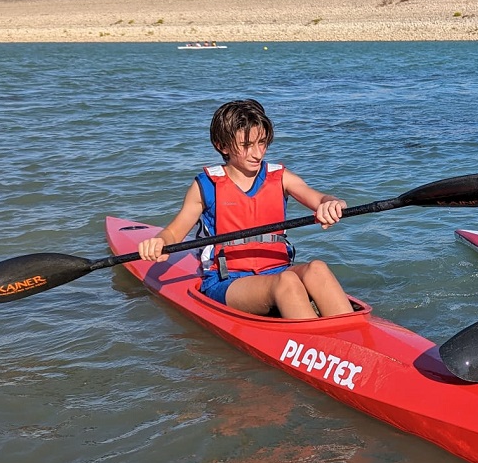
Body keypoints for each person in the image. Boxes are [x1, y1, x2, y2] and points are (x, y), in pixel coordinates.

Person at [137, 99, 353, 320]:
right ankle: (318, 347)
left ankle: (352, 332)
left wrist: (332, 204)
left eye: (262, 143)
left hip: (277, 270)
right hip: (228, 281)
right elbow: (173, 233)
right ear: (222, 146)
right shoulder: (206, 186)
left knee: (317, 268)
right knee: (287, 282)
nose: (258, 154)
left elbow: (320, 198)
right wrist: (160, 243)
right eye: (247, 145)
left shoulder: (280, 177)